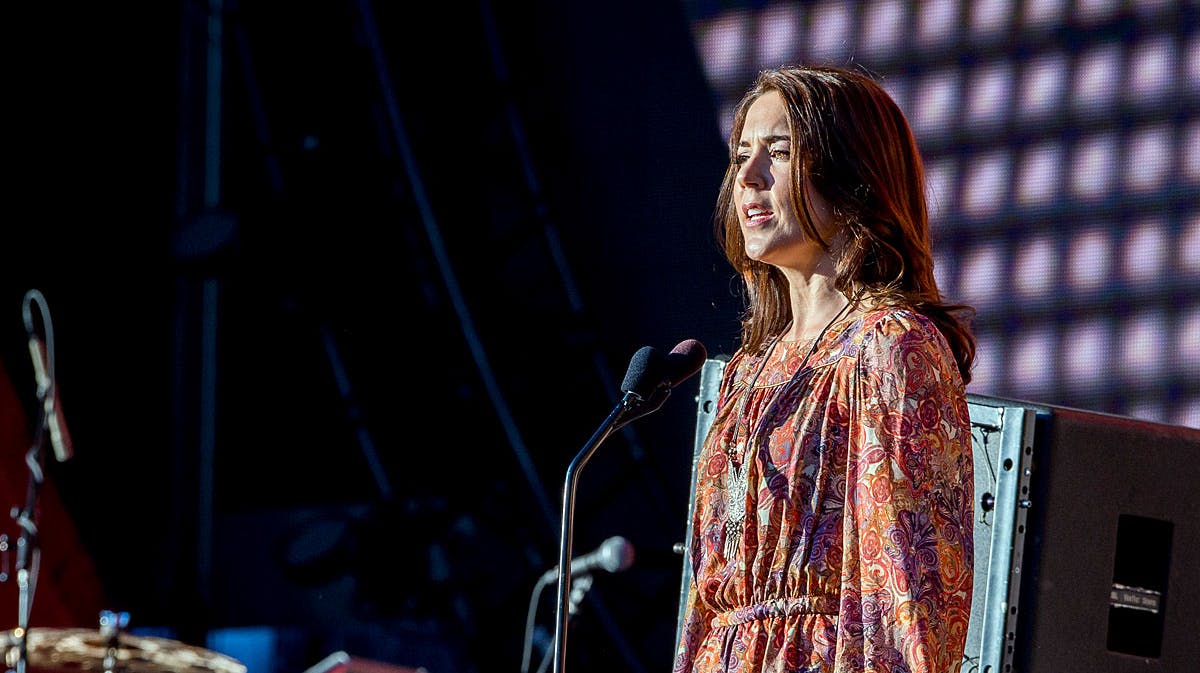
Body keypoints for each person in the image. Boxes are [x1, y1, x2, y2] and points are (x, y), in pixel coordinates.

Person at [673, 64, 976, 673]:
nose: (748, 178)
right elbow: (706, 597)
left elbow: (912, 597)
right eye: (741, 156)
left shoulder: (890, 349)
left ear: (852, 177)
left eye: (779, 154)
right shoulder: (751, 368)